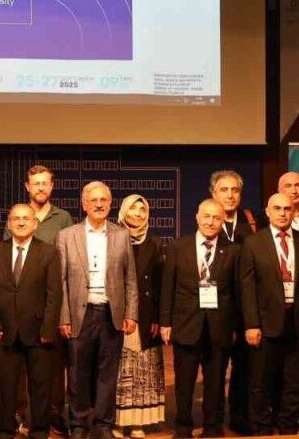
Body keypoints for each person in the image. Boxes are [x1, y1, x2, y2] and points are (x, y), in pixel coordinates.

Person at [57, 181, 139, 439]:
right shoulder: (66, 236)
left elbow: (130, 279)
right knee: (77, 372)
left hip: (110, 314)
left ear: (111, 204)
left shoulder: (121, 235)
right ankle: (79, 424)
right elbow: (61, 281)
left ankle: (103, 424)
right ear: (84, 204)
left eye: (104, 200)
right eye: (94, 200)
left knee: (108, 373)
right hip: (79, 315)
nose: (99, 204)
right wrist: (64, 316)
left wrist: (131, 313)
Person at [238, 193, 299, 436]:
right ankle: (261, 429)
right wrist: (251, 324)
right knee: (261, 383)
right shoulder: (253, 243)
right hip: (265, 324)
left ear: (294, 212)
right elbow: (247, 288)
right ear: (267, 212)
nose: (283, 213)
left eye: (287, 209)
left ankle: (289, 428)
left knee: (294, 383)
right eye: (277, 208)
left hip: (298, 323)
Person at [160, 199, 239, 439]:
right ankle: (183, 427)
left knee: (215, 382)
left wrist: (236, 326)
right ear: (197, 217)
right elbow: (167, 287)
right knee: (184, 382)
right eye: (206, 216)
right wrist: (165, 322)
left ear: (223, 221)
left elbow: (237, 292)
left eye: (216, 217)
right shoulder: (177, 246)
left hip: (219, 326)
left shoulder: (233, 250)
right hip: (186, 324)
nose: (210, 221)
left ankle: (212, 427)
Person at [0, 204, 61, 439]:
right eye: (15, 219)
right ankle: (4, 428)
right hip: (3, 331)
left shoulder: (48, 253)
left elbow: (54, 294)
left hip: (38, 332)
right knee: (5, 386)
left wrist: (48, 329)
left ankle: (39, 430)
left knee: (40, 387)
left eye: (26, 218)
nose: (20, 222)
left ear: (35, 224)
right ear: (8, 224)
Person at [24, 164, 74, 436]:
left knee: (55, 364)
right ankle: (24, 414)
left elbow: (69, 261)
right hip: (25, 303)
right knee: (24, 364)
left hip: (54, 301)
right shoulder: (20, 214)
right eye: (36, 183)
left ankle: (55, 414)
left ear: (52, 186)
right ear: (27, 187)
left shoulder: (63, 218)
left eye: (45, 183)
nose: (41, 187)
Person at [113, 195, 164, 437]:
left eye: (142, 209)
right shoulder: (112, 238)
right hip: (117, 315)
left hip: (145, 317)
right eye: (132, 209)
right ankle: (116, 421)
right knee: (118, 370)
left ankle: (138, 422)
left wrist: (158, 317)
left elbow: (159, 283)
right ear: (123, 211)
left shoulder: (155, 242)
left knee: (144, 371)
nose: (137, 213)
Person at [208, 170, 252, 434]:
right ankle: (214, 420)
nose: (230, 195)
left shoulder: (252, 224)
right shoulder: (206, 223)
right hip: (216, 310)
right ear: (213, 193)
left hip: (247, 310)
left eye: (234, 190)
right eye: (224, 190)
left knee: (245, 368)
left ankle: (239, 416)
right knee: (215, 368)